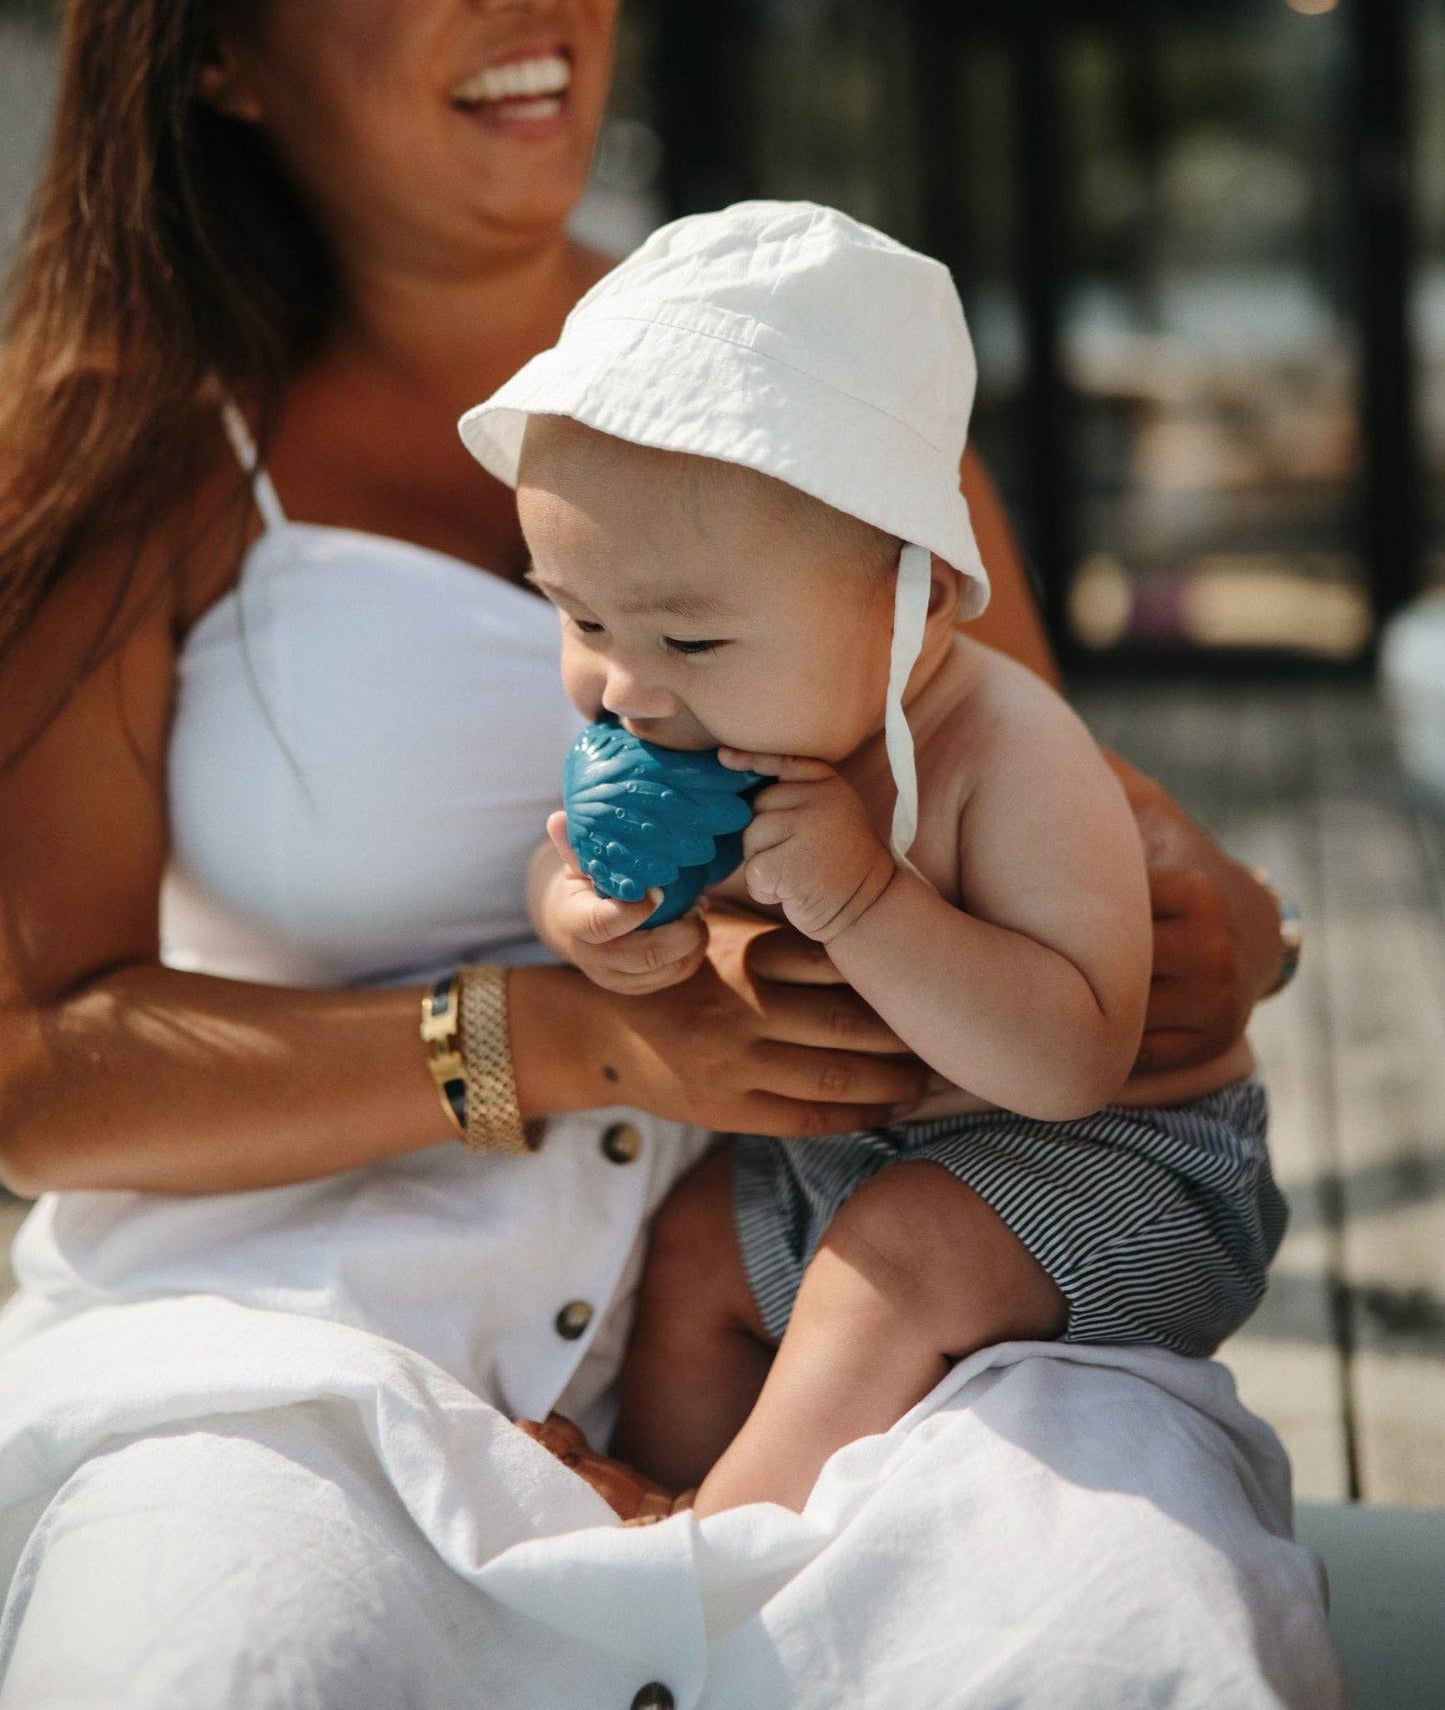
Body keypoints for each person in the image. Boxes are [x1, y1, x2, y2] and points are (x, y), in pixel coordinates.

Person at [0, 2, 1345, 1706]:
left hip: (877, 1294)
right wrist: (582, 1033)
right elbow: (38, 1070)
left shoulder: (809, 385)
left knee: (1126, 1633)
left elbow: (1032, 804)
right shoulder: (122, 445)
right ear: (215, 50)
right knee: (226, 1656)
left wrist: (1247, 923)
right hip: (320, 1315)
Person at [468, 201, 1285, 1518]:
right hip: (848, 1165)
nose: (626, 691)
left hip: (1114, 1175)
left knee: (898, 1248)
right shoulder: (723, 731)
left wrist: (864, 896)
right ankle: (668, 1474)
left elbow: (1070, 1061)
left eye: (692, 640)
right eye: (580, 616)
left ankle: (708, 1532)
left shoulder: (1007, 755)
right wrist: (578, 918)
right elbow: (550, 864)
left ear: (912, 606)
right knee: (690, 1252)